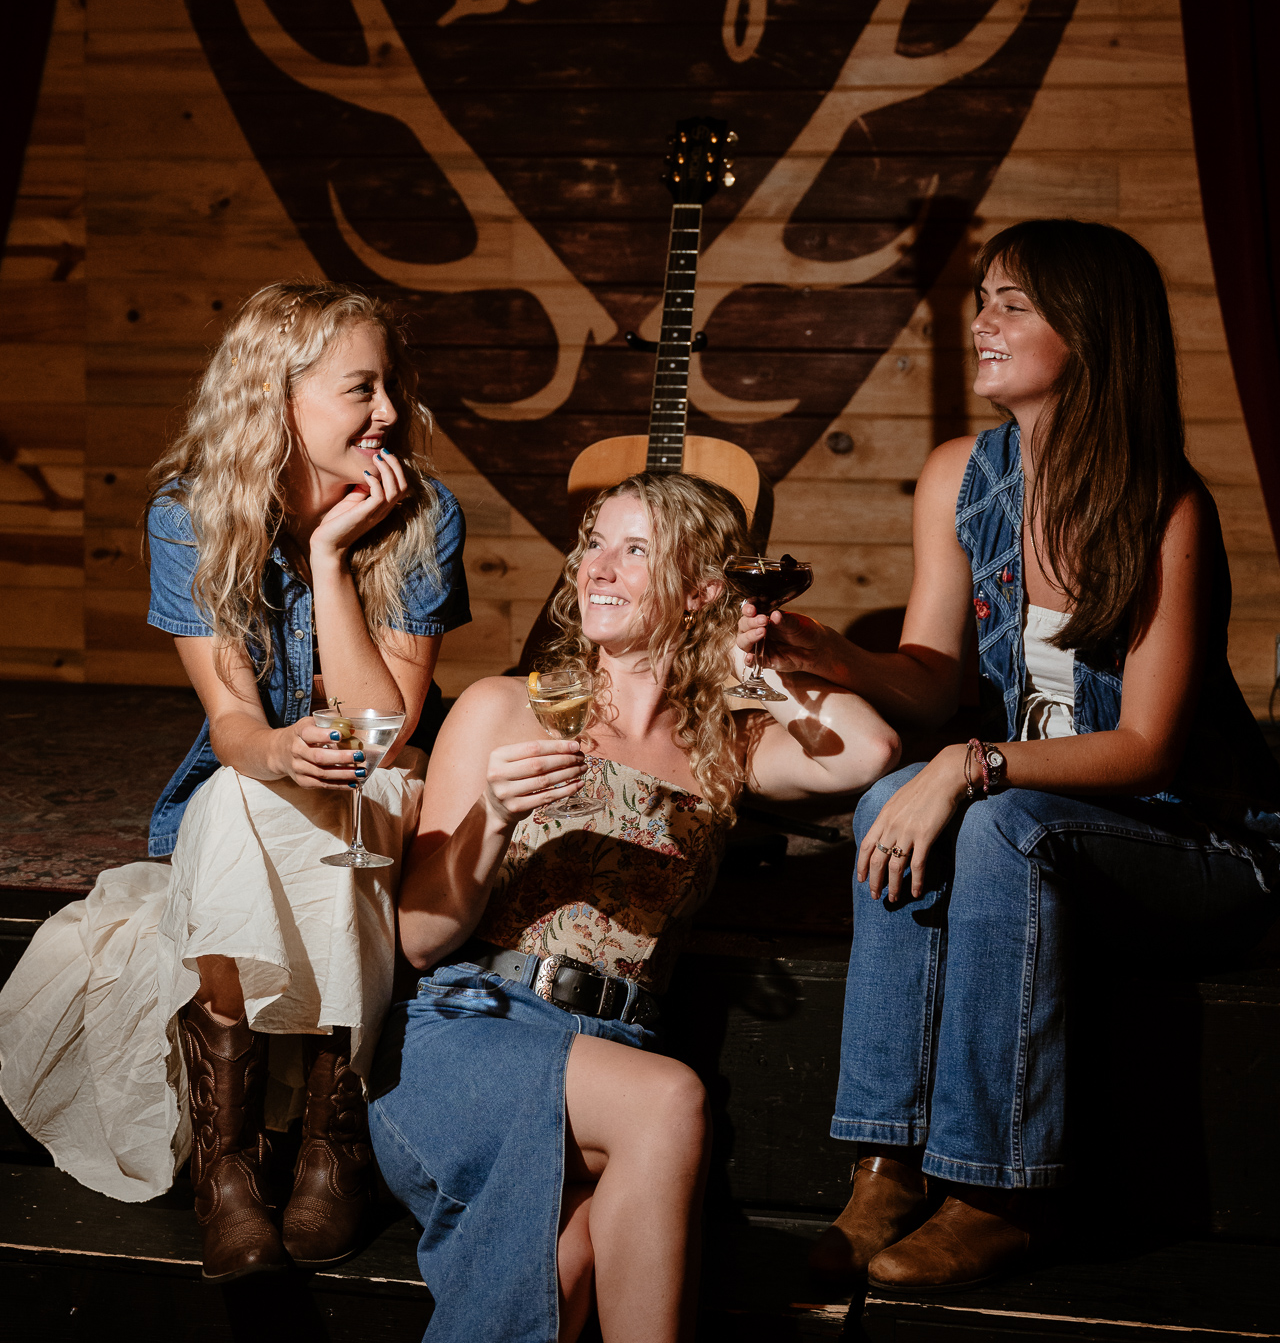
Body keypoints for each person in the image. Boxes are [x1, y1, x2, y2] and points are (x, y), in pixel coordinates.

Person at [738, 219, 1280, 1291]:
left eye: (1011, 304)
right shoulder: (961, 475)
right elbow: (929, 681)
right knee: (894, 794)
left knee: (993, 820)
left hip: (1199, 848)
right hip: (1028, 826)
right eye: (982, 297)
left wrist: (969, 766)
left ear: (1089, 331)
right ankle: (886, 1167)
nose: (981, 321)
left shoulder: (1164, 506)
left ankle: (1001, 1193)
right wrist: (828, 652)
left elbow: (1146, 750)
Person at [0, 282, 470, 1282]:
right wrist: (279, 753)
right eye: (361, 388)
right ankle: (230, 1168)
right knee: (236, 792)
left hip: (386, 795)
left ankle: (332, 1144)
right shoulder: (189, 516)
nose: (390, 411)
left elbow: (382, 736)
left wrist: (330, 560)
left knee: (314, 807)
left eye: (390, 385)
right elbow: (233, 724)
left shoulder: (424, 516)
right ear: (275, 395)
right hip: (255, 786)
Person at [368, 469, 901, 1343]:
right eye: (594, 545)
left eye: (635, 550)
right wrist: (493, 816)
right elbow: (420, 940)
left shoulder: (728, 743)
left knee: (567, 1266)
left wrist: (758, 665)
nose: (598, 567)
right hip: (473, 1030)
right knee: (670, 1100)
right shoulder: (506, 707)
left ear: (700, 592)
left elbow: (869, 749)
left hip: (616, 1051)